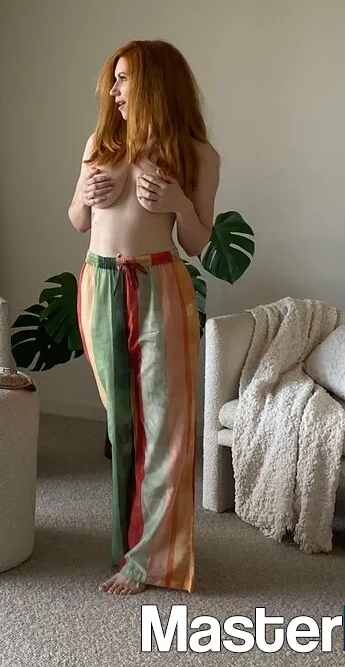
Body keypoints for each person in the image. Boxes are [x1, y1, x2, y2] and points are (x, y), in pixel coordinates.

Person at [68, 40, 220, 596]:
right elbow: (77, 220)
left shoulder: (198, 155)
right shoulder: (101, 143)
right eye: (114, 79)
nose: (113, 90)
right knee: (123, 425)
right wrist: (85, 195)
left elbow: (197, 242)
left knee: (166, 426)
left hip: (159, 285)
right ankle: (128, 547)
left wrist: (179, 203)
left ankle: (153, 562)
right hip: (100, 284)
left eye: (124, 78)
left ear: (154, 83)